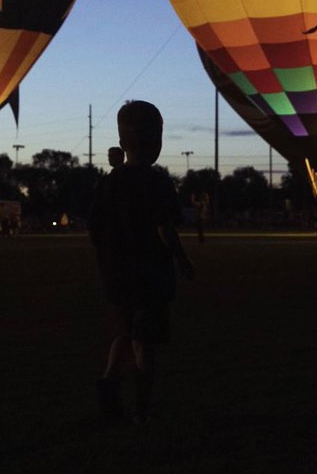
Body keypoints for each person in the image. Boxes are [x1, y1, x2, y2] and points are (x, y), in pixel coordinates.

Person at [88, 100, 195, 423]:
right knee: (145, 342)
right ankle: (142, 407)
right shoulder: (158, 182)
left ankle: (108, 379)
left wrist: (107, 260)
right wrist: (183, 260)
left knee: (125, 330)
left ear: (122, 143)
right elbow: (164, 228)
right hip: (150, 273)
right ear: (158, 141)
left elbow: (95, 227)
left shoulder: (108, 183)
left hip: (117, 273)